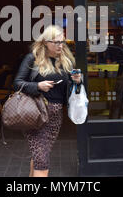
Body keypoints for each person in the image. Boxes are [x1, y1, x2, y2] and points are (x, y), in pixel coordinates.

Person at [13, 25, 82, 177]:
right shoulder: (33, 58)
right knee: (42, 162)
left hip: (55, 119)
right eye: (56, 42)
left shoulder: (66, 61)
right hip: (35, 115)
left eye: (62, 42)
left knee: (39, 157)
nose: (60, 45)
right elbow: (18, 83)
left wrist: (76, 82)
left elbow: (67, 91)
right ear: (45, 42)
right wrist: (38, 86)